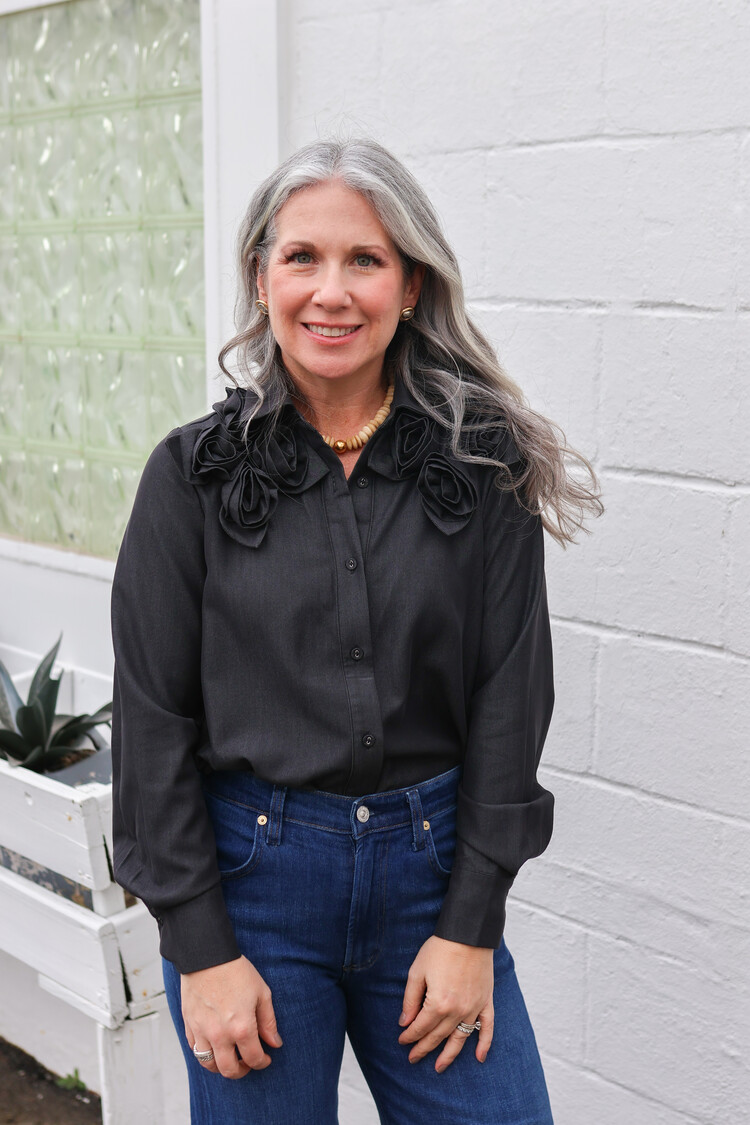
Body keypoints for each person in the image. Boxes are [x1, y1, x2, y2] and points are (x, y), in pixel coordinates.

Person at [110, 137, 602, 1125]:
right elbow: (153, 718)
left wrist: (472, 924)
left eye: (365, 260)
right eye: (302, 257)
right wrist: (200, 949)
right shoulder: (188, 478)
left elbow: (511, 699)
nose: (330, 292)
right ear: (262, 278)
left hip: (433, 884)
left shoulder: (484, 467)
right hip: (252, 892)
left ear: (410, 286)